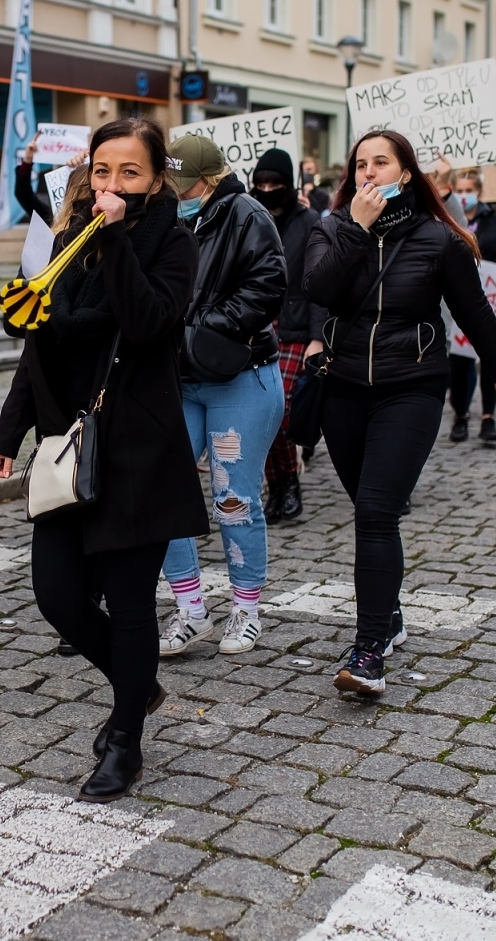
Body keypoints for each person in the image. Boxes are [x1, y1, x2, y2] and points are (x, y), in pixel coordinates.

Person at [0, 118, 206, 803]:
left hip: (137, 448)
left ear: (156, 177)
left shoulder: (172, 242)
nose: (113, 185)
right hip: (68, 445)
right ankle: (137, 687)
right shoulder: (68, 239)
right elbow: (43, 344)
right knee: (59, 596)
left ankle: (125, 742)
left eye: (130, 173)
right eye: (103, 171)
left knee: (134, 604)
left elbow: (146, 324)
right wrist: (9, 426)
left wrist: (115, 239)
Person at [304, 130, 496, 696]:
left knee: (376, 511)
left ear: (405, 173)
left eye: (382, 162)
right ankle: (390, 613)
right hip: (345, 389)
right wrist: (354, 227)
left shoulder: (436, 239)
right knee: (367, 504)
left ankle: (369, 649)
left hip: (412, 387)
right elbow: (318, 289)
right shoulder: (331, 229)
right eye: (360, 164)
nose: (370, 171)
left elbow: (472, 309)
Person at [158, 135, 287, 657]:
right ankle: (190, 608)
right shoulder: (166, 216)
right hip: (179, 378)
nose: (173, 191)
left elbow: (268, 285)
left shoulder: (247, 215)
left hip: (239, 375)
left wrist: (202, 327)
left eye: (181, 183)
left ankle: (246, 609)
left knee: (234, 498)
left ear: (207, 182)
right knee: (160, 491)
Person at [257, 149, 323, 521]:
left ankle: (289, 481)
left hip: (296, 329)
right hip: (257, 328)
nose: (268, 190)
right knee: (263, 418)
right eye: (262, 184)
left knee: (281, 415)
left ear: (289, 184)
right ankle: (278, 485)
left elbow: (318, 283)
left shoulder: (310, 220)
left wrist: (318, 336)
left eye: (275, 184)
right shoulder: (248, 216)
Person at [447, 170, 496, 445]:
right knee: (459, 362)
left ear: (479, 192)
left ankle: (488, 417)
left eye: (468, 190)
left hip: (491, 297)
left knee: (488, 357)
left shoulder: (494, 221)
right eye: (458, 190)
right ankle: (460, 415)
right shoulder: (447, 218)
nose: (463, 196)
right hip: (457, 297)